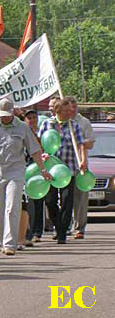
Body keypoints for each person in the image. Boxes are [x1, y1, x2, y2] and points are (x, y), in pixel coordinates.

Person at [0, 98, 49, 255]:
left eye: (6, 115)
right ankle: (3, 241)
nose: (4, 118)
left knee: (12, 207)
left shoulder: (22, 128)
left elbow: (35, 150)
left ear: (12, 113)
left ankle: (10, 243)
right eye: (1, 115)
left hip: (15, 172)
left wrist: (43, 170)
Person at [38, 98, 87, 244]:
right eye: (66, 111)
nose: (69, 113)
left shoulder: (74, 125)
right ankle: (58, 226)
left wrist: (83, 160)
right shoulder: (47, 124)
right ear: (58, 111)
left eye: (70, 110)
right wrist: (43, 155)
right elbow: (38, 143)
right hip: (51, 170)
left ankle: (62, 233)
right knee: (50, 201)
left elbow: (81, 144)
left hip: (68, 169)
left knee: (67, 201)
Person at [65, 96, 95, 239]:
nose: (71, 111)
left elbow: (90, 143)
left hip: (79, 164)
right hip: (63, 165)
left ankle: (79, 228)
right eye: (69, 108)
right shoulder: (60, 121)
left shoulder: (84, 122)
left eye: (74, 108)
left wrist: (80, 143)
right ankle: (62, 226)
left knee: (80, 198)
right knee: (63, 198)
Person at [22, 109, 43, 245]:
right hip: (23, 170)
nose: (32, 120)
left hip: (37, 170)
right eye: (29, 117)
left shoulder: (42, 132)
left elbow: (41, 150)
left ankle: (37, 231)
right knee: (27, 204)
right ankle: (26, 233)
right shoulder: (22, 132)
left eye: (34, 117)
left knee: (38, 201)